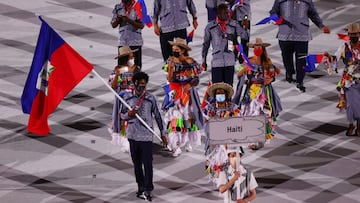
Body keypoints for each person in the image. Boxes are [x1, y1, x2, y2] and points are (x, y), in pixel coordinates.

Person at [120, 72, 167, 201]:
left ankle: (148, 189)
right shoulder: (127, 98)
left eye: (144, 85)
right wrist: (128, 114)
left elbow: (158, 116)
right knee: (136, 164)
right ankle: (140, 186)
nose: (141, 87)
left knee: (148, 164)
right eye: (139, 85)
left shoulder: (150, 98)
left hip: (146, 136)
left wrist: (163, 134)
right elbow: (122, 114)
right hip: (133, 135)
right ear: (134, 84)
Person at [269, 0, 330, 92]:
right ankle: (289, 73)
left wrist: (321, 26)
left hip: (302, 36)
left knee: (301, 60)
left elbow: (313, 14)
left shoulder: (307, 1)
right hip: (285, 35)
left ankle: (300, 80)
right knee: (286, 57)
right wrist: (275, 18)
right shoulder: (280, 1)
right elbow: (273, 12)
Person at [237, 38, 282, 150]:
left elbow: (274, 75)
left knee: (262, 114)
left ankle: (260, 138)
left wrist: (270, 79)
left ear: (263, 49)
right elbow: (238, 74)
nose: (257, 49)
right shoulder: (248, 61)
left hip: (264, 91)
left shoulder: (267, 61)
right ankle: (252, 138)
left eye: (259, 47)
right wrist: (244, 70)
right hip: (251, 91)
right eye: (255, 47)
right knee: (251, 114)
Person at [162, 38, 204, 157]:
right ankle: (176, 145)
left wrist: (189, 84)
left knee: (188, 117)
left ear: (183, 50)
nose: (174, 51)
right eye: (173, 49)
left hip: (188, 94)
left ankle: (187, 141)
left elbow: (196, 79)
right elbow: (169, 80)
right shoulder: (170, 61)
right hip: (175, 94)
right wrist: (170, 68)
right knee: (175, 118)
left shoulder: (191, 62)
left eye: (177, 49)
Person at [202, 3, 249, 86]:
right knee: (217, 90)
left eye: (228, 12)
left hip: (230, 62)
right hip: (217, 62)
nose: (228, 14)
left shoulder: (233, 25)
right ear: (219, 14)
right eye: (225, 13)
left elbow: (245, 36)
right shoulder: (210, 27)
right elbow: (206, 45)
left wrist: (245, 28)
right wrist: (203, 60)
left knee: (229, 89)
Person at [108, 46, 140, 152]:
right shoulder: (117, 70)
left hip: (134, 98)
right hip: (122, 100)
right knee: (124, 119)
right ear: (126, 57)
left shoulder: (137, 69)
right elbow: (113, 86)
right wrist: (117, 75)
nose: (133, 57)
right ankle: (126, 141)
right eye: (131, 56)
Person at [337, 23, 360, 137]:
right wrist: (328, 56)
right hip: (349, 80)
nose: (353, 36)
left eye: (355, 34)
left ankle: (359, 126)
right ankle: (351, 124)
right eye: (351, 34)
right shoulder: (344, 47)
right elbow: (335, 58)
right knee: (351, 104)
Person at [111, 0, 144, 68]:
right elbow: (113, 25)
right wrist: (118, 20)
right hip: (123, 42)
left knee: (136, 67)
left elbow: (141, 25)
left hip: (135, 42)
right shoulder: (117, 7)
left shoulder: (138, 6)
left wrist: (128, 20)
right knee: (121, 68)